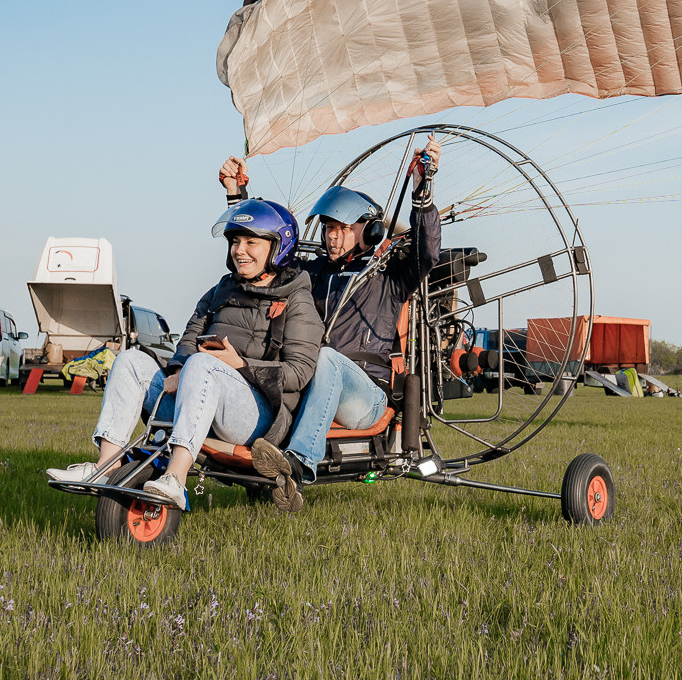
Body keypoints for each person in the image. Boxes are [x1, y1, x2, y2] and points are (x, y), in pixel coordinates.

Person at [46, 200, 320, 511]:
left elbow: (300, 372)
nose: (239, 250)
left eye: (251, 242)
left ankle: (175, 478)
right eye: (235, 241)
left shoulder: (298, 299)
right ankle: (108, 465)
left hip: (258, 416)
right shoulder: (221, 290)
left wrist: (241, 365)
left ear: (278, 246)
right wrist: (178, 369)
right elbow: (190, 340)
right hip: (201, 393)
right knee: (131, 361)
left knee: (203, 364)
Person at [219, 138, 442, 501]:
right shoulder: (313, 273)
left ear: (368, 231)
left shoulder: (390, 275)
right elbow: (261, 255)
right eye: (327, 228)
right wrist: (237, 194)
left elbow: (427, 250)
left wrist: (422, 189)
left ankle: (299, 462)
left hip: (367, 394)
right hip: (315, 384)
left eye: (341, 228)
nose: (331, 236)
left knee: (325, 358)